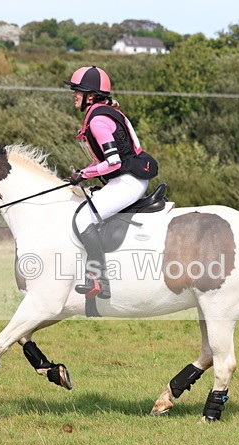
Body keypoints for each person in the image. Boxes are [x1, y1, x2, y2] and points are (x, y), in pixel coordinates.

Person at [64, 66, 158, 299]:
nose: (74, 94)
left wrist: (83, 174)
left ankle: (98, 280)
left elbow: (114, 162)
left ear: (91, 96)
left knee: (84, 217)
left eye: (78, 91)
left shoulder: (97, 121)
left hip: (128, 181)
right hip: (127, 178)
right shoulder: (103, 111)